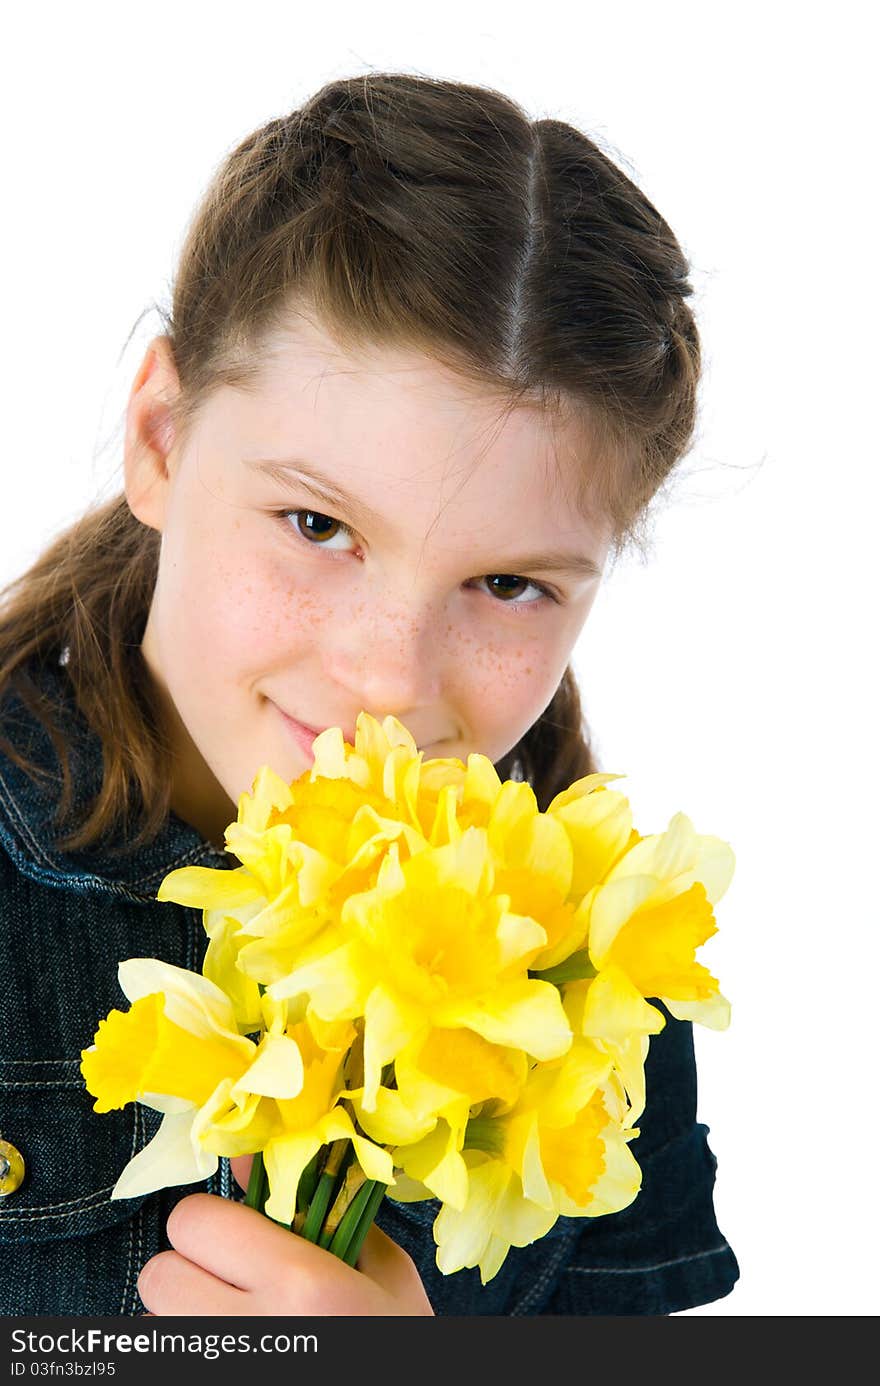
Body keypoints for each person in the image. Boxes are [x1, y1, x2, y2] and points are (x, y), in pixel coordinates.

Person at [0, 70, 739, 1317]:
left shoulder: (588, 982)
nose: (388, 680)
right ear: (161, 438)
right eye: (315, 523)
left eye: (507, 583)